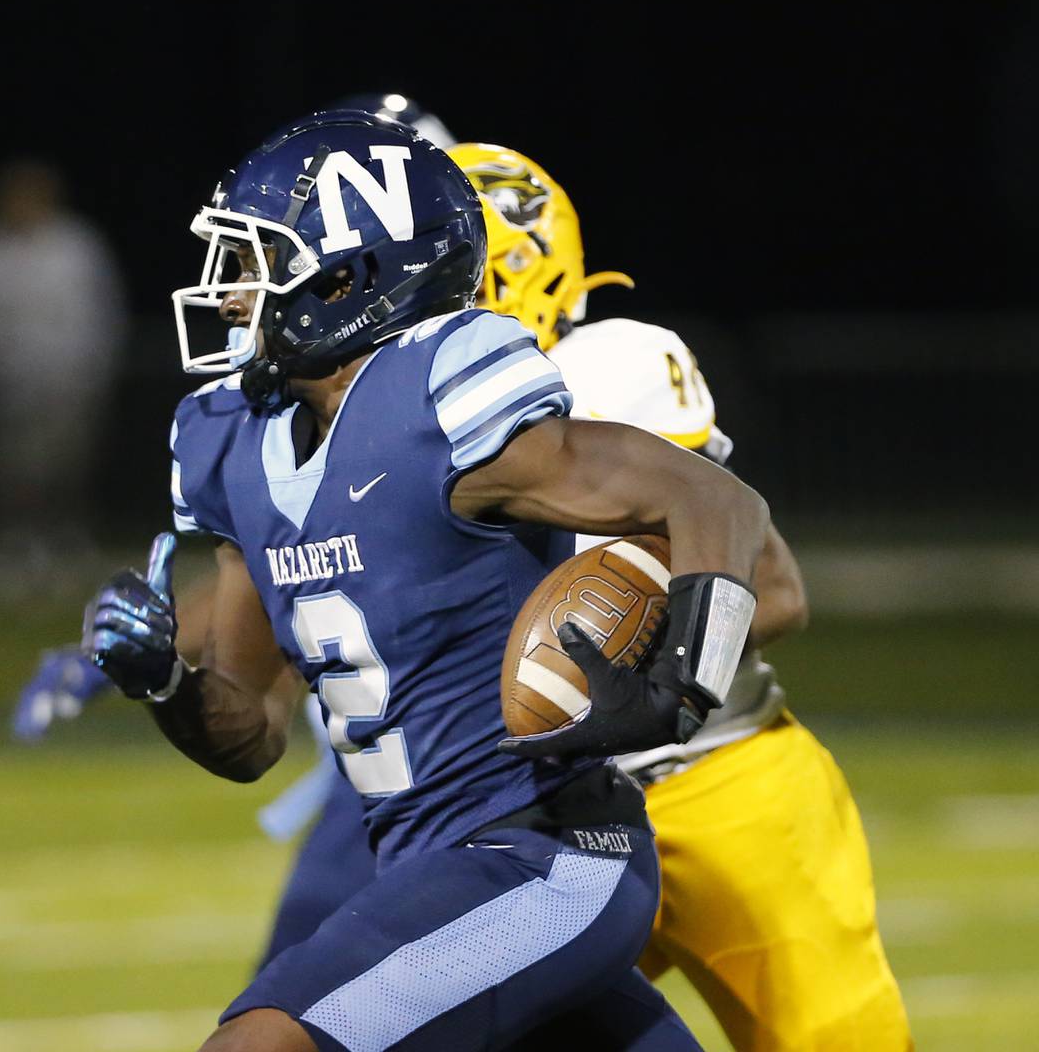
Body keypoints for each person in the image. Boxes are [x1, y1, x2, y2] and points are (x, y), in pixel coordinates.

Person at [86, 109, 774, 1051]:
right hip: (423, 869)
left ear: (345, 278)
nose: (230, 292)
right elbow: (247, 734)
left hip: (545, 851)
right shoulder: (232, 443)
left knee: (260, 1043)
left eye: (253, 262)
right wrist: (164, 682)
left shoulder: (439, 395)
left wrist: (682, 683)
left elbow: (715, 501)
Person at [445, 141, 913, 1051]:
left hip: (720, 781)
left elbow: (772, 586)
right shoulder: (395, 424)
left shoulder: (609, 367)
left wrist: (665, 675)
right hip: (550, 818)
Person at [0, 158, 124, 554]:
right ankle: (12, 542)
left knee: (68, 465)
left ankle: (67, 537)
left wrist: (94, 370)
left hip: (70, 383)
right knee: (9, 469)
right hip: (5, 387)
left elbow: (102, 312)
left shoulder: (76, 247)